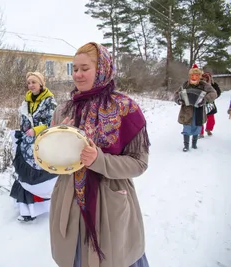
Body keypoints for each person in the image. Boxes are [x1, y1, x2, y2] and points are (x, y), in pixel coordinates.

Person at [49, 42, 150, 267]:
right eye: (74, 69)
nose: (78, 74)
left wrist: (99, 161)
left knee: (113, 258)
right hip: (69, 199)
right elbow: (51, 160)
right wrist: (57, 138)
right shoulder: (63, 109)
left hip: (109, 202)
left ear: (102, 68)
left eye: (84, 68)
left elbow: (139, 163)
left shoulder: (125, 108)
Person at [10, 72, 58, 222]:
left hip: (43, 143)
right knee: (25, 175)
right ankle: (27, 210)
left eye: (34, 82)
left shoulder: (49, 101)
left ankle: (46, 205)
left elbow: (52, 122)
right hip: (27, 145)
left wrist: (36, 130)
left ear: (41, 84)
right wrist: (22, 133)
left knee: (41, 175)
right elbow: (24, 121)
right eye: (29, 82)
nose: (31, 85)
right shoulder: (27, 102)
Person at [174, 64, 217, 152]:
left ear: (199, 76)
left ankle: (194, 144)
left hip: (199, 110)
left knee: (197, 127)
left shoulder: (204, 85)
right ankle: (186, 145)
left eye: (196, 75)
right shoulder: (185, 84)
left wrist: (205, 99)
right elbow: (176, 94)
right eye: (192, 75)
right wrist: (179, 100)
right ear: (190, 76)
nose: (194, 77)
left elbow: (214, 93)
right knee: (186, 128)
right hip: (186, 111)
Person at [199, 72, 221, 138]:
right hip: (201, 103)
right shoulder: (199, 84)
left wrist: (212, 96)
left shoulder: (214, 84)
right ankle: (201, 133)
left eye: (207, 77)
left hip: (210, 103)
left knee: (211, 119)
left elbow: (218, 93)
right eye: (204, 77)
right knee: (200, 119)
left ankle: (208, 129)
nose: (205, 79)